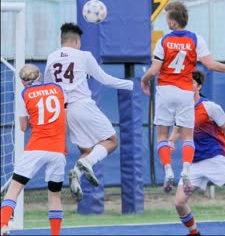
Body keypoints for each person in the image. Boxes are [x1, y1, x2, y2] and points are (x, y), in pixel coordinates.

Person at [141, 1, 225, 196]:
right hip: (185, 91)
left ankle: (169, 170)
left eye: (168, 18)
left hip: (165, 90)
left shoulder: (164, 41)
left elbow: (154, 70)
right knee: (187, 136)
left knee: (162, 136)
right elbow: (210, 65)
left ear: (173, 22)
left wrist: (144, 80)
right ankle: (186, 169)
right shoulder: (196, 40)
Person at [44, 22, 133, 202]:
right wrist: (131, 84)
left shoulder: (51, 57)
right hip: (82, 105)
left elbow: (48, 86)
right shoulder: (84, 55)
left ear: (62, 40)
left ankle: (76, 173)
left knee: (88, 150)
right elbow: (105, 79)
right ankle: (86, 164)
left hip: (63, 111)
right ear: (77, 40)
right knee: (111, 141)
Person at [168, 70, 225, 235]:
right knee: (179, 203)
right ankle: (194, 233)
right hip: (193, 164)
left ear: (199, 86)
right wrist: (171, 142)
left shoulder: (210, 107)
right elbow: (177, 131)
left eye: (192, 83)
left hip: (215, 158)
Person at [1, 64, 67, 236]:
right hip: (57, 150)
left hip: (36, 147)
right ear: (40, 76)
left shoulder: (25, 94)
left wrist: (33, 117)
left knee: (14, 188)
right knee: (54, 196)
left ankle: (2, 225)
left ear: (23, 82)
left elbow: (23, 127)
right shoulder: (58, 89)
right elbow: (63, 119)